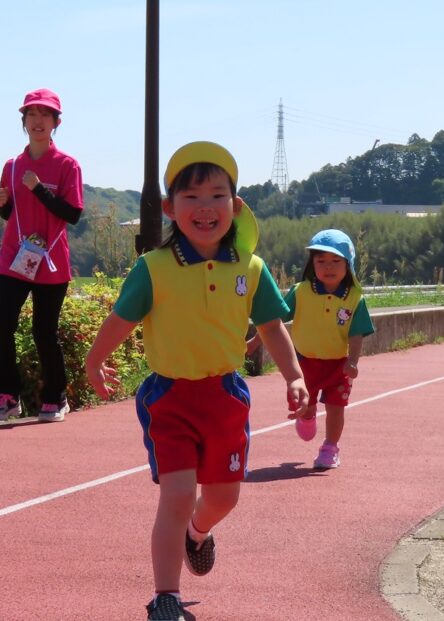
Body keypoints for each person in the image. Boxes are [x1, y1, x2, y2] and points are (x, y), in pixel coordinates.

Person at [85, 141, 309, 621]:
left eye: (216, 196)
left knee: (224, 496)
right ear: (170, 208)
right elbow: (121, 319)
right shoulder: (154, 268)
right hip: (170, 397)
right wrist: (95, 360)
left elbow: (272, 327)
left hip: (225, 396)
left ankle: (198, 533)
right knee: (178, 494)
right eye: (191, 197)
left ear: (236, 205)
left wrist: (294, 376)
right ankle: (165, 596)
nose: (205, 207)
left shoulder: (251, 269)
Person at [0, 88, 84, 423]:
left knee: (44, 331)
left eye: (45, 115)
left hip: (51, 260)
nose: (37, 121)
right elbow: (9, 214)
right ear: (23, 121)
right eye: (31, 115)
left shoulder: (67, 165)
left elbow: (72, 214)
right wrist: (3, 204)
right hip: (15, 258)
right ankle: (6, 396)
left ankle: (55, 396)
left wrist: (38, 188)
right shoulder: (13, 166)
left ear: (56, 122)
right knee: (2, 326)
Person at [250, 229, 375, 469]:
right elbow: (273, 321)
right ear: (312, 264)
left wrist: (353, 361)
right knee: (305, 406)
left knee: (337, 408)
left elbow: (356, 333)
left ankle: (330, 448)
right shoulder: (301, 291)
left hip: (338, 366)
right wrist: (255, 342)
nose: (328, 267)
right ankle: (308, 416)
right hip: (304, 363)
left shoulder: (355, 298)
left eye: (336, 261)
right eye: (321, 261)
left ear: (348, 264)